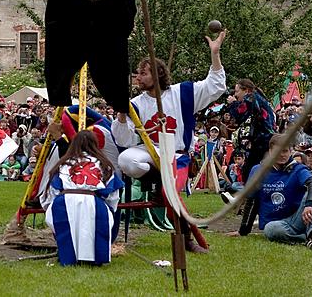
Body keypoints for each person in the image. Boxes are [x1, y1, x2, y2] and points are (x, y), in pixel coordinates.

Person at [112, 29, 227, 253]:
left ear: (157, 74)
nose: (138, 78)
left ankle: (185, 239)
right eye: (137, 73)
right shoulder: (136, 103)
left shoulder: (183, 93)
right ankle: (157, 179)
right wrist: (122, 114)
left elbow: (215, 86)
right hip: (150, 153)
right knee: (127, 160)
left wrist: (215, 54)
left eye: (143, 73)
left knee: (169, 193)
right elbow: (123, 140)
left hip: (177, 155)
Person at [41, 131, 123, 266]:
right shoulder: (105, 165)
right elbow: (113, 194)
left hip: (64, 200)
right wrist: (108, 210)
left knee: (65, 226)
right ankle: (94, 258)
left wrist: (50, 207)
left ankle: (68, 257)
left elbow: (53, 189)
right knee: (93, 227)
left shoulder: (63, 163)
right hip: (94, 200)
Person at [235, 133, 312, 250]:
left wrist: (309, 205)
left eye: (285, 151)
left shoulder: (298, 168)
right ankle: (306, 237)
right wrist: (243, 231)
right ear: (270, 151)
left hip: (298, 218)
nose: (282, 155)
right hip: (275, 224)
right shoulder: (258, 170)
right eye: (278, 151)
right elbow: (251, 200)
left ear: (290, 151)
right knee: (270, 230)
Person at [227, 78, 276, 182]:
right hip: (263, 139)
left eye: (237, 91)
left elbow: (240, 115)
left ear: (246, 90)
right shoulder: (257, 98)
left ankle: (250, 195)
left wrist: (232, 103)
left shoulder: (251, 98)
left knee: (249, 170)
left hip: (264, 140)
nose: (235, 94)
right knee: (254, 168)